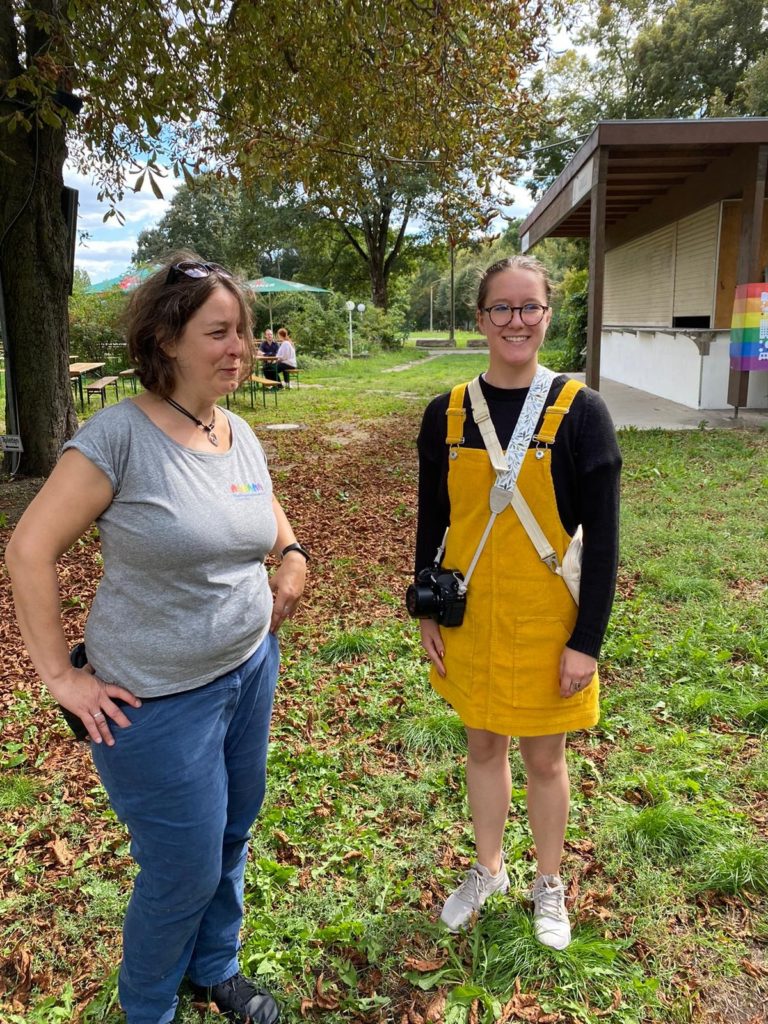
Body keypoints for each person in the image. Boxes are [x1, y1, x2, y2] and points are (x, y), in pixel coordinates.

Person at [5, 255, 311, 1024]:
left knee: (233, 834)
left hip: (248, 667)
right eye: (219, 331)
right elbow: (27, 549)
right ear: (167, 340)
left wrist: (293, 551)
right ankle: (148, 1007)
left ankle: (215, 969)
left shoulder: (234, 429)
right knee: (181, 866)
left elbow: (258, 505)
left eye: (242, 329)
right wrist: (61, 679)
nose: (239, 345)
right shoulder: (117, 439)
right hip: (154, 701)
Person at [413, 255, 621, 949]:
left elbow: (606, 541)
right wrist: (425, 612)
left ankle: (549, 883)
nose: (515, 321)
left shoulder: (582, 412)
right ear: (480, 318)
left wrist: (586, 640)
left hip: (546, 622)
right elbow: (430, 526)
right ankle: (490, 868)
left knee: (544, 759)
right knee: (481, 746)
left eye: (529, 307)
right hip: (471, 619)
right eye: (501, 307)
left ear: (547, 315)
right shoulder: (444, 414)